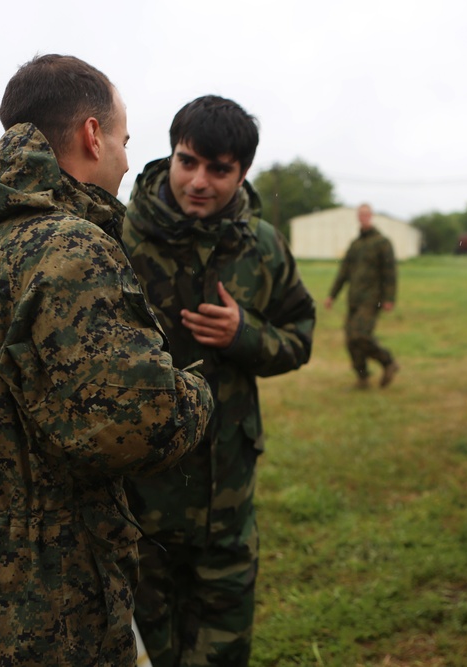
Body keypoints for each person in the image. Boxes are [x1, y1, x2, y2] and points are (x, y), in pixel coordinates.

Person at [0, 54, 213, 666]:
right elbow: (137, 427)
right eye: (125, 140)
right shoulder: (69, 246)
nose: (129, 161)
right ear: (91, 134)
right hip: (52, 603)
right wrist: (196, 394)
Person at [121, 95, 316, 666]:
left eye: (219, 169)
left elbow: (300, 335)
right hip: (141, 500)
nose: (199, 181)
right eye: (187, 162)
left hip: (225, 499)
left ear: (243, 172)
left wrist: (244, 336)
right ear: (172, 155)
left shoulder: (262, 246)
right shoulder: (119, 238)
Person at [325, 203, 399, 388]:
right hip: (354, 299)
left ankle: (388, 362)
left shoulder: (382, 242)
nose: (363, 217)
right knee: (350, 340)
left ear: (371, 216)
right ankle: (362, 378)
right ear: (358, 217)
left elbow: (390, 272)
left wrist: (389, 298)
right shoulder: (355, 245)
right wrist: (332, 295)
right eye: (361, 215)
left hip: (372, 299)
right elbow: (343, 272)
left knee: (360, 335)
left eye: (366, 214)